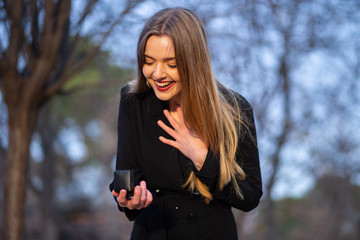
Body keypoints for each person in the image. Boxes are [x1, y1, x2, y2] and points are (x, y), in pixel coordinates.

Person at [110, 7, 262, 240]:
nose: (158, 74)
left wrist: (202, 157)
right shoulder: (133, 100)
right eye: (149, 61)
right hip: (152, 232)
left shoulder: (237, 109)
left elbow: (250, 197)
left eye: (171, 64)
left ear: (194, 62)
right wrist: (127, 198)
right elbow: (126, 175)